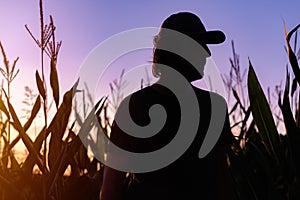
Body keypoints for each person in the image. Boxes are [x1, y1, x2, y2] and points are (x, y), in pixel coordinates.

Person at [100, 12, 235, 200]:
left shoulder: (215, 108)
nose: (207, 53)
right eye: (199, 45)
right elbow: (111, 189)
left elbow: (224, 182)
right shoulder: (134, 108)